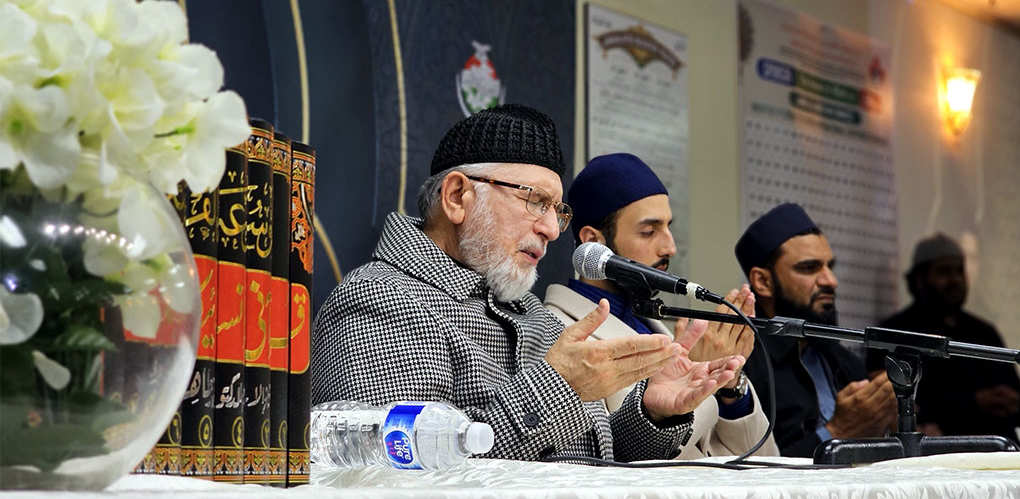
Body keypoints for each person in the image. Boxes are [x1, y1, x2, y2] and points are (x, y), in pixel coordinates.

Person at [311, 105, 743, 462]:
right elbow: (402, 473)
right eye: (535, 201)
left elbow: (592, 463)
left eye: (558, 210)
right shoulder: (380, 298)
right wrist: (561, 386)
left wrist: (651, 414)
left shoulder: (533, 314)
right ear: (458, 197)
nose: (553, 229)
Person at [543, 153, 778, 458]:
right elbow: (608, 468)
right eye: (649, 231)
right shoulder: (558, 334)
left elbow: (762, 464)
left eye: (668, 227)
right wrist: (694, 384)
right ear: (593, 243)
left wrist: (731, 387)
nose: (670, 247)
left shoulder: (654, 325)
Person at [736, 203, 896, 457]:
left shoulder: (840, 358)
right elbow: (745, 469)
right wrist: (837, 432)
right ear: (763, 282)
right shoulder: (742, 363)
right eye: (809, 268)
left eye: (829, 266)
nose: (831, 281)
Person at [867, 233, 1020, 444]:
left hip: (1000, 450)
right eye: (944, 272)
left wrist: (1013, 403)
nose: (955, 280)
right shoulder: (896, 332)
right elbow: (896, 404)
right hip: (938, 455)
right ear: (920, 279)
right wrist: (973, 402)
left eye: (960, 271)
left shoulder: (984, 332)